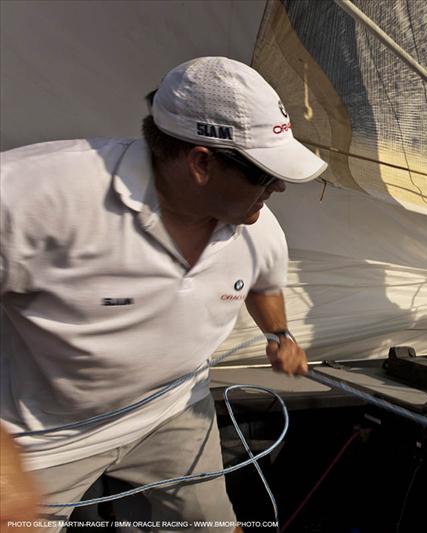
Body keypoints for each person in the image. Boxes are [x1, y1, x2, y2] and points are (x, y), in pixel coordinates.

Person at [0, 56, 327, 532]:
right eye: (263, 173)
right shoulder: (31, 195)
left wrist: (279, 334)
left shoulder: (258, 227)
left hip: (173, 411)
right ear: (201, 163)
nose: (278, 186)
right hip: (42, 436)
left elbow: (263, 283)